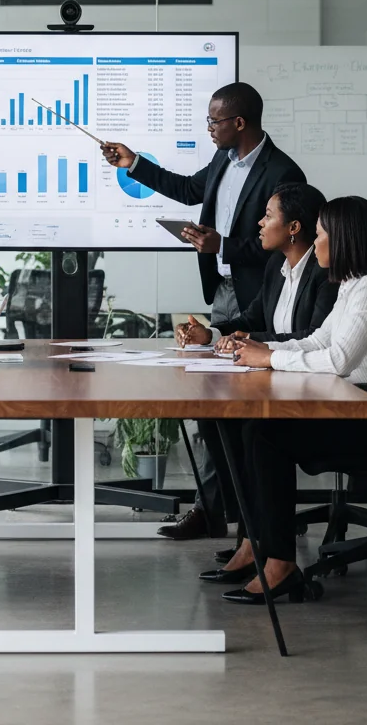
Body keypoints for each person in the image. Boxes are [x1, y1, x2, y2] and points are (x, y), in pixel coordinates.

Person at [101, 82, 305, 540]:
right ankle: (220, 511)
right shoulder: (222, 160)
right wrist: (134, 164)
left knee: (247, 408)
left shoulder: (283, 171)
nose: (208, 128)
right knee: (215, 401)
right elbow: (189, 188)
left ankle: (255, 520)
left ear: (239, 122)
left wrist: (225, 245)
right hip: (224, 289)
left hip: (261, 298)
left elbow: (289, 242)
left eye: (214, 120)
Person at [215, 196, 367, 605]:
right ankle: (264, 548)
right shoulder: (354, 285)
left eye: (320, 235)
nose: (316, 245)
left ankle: (278, 563)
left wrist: (273, 358)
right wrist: (264, 350)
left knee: (265, 435)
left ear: (344, 239)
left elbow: (338, 359)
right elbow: (319, 340)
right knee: (256, 428)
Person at [172, 183, 338, 572]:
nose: (259, 224)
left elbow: (310, 337)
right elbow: (251, 320)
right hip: (280, 379)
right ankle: (248, 536)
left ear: (294, 227)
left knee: (252, 431)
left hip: (313, 387)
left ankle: (259, 542)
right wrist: (211, 335)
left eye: (268, 216)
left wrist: (251, 341)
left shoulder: (324, 273)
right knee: (216, 419)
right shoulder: (276, 268)